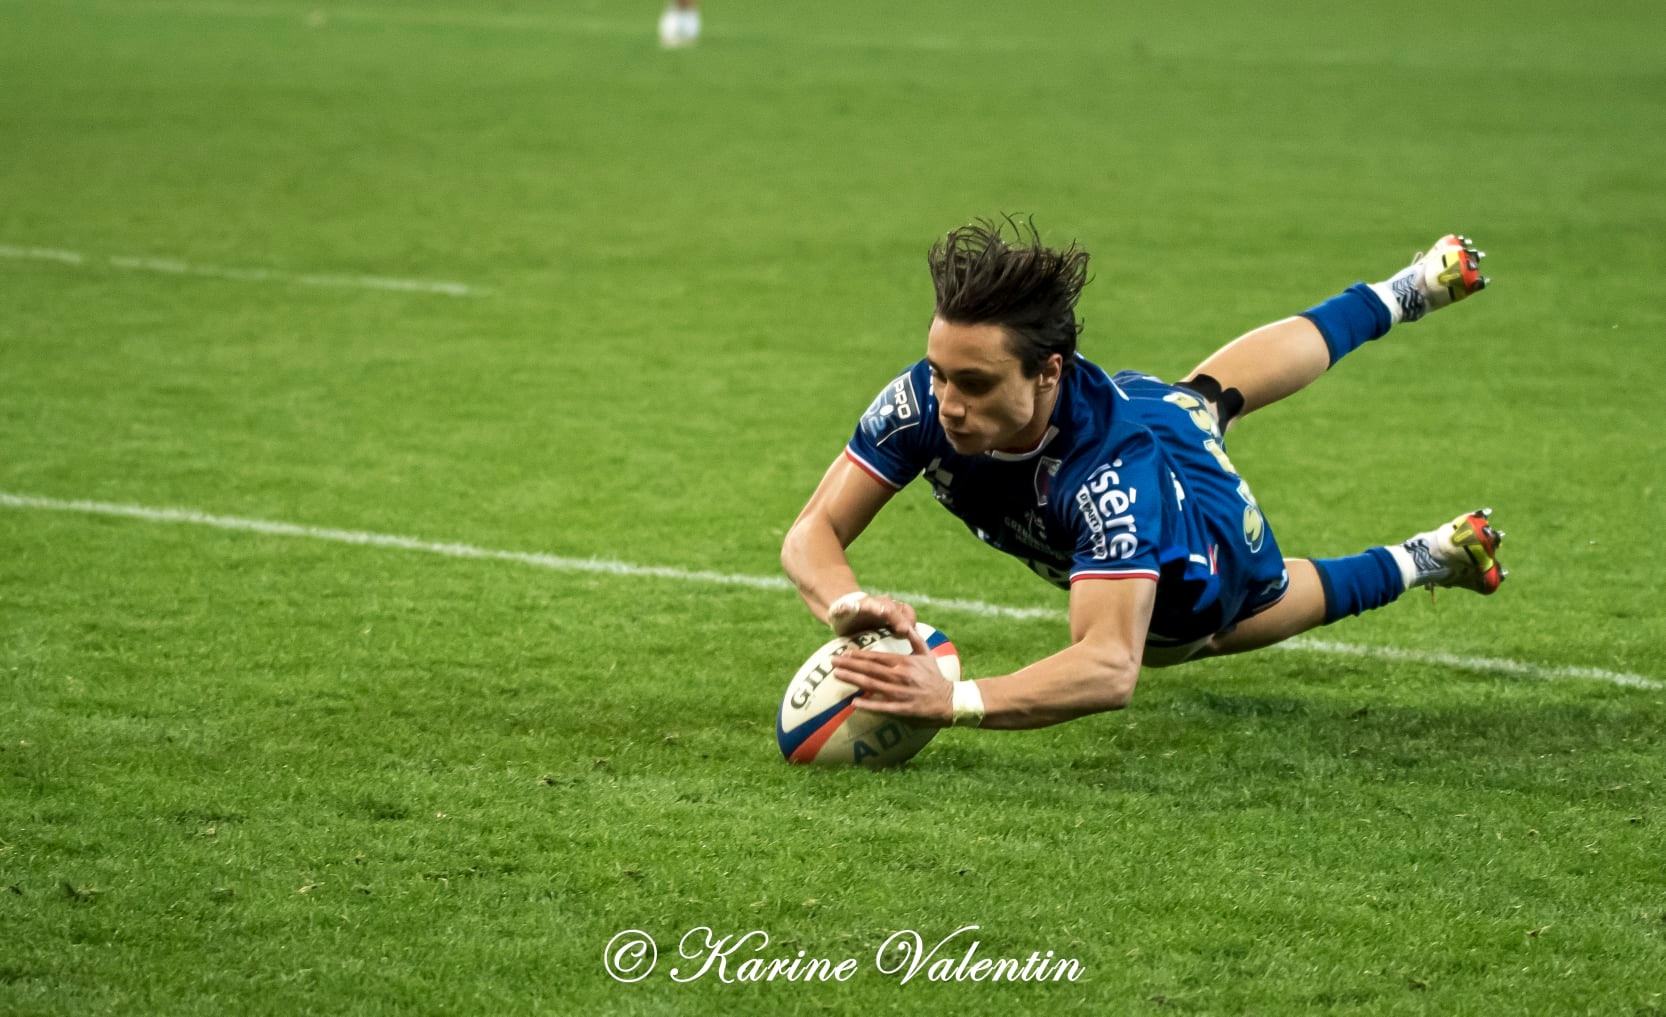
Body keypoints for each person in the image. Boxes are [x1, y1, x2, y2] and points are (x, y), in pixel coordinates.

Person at [780, 218, 1501, 731]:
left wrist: (957, 698)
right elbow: (813, 532)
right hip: (1155, 414)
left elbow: (1107, 666)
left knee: (1217, 623)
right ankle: (1406, 290)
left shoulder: (1109, 486)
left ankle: (1425, 557)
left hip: (1195, 524)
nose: (949, 404)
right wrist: (842, 601)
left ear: (1047, 371)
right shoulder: (918, 403)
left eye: (973, 383)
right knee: (1205, 398)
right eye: (939, 373)